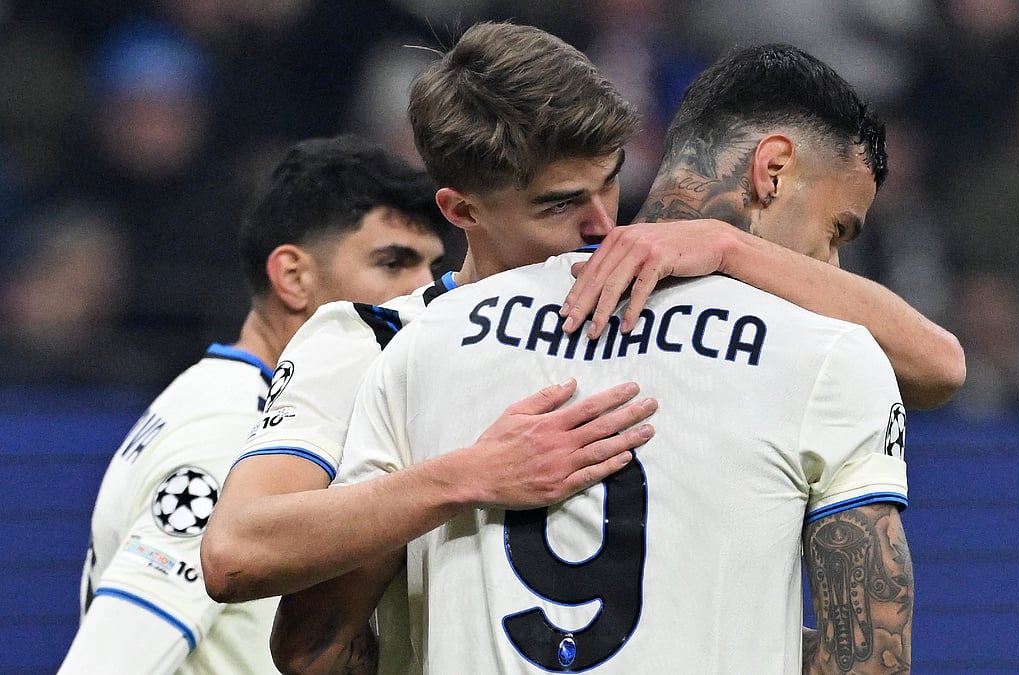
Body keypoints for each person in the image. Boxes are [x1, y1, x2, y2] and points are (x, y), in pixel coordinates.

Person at [202, 22, 946, 673]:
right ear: (461, 210)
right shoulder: (378, 339)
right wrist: (466, 474)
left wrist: (724, 246)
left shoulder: (647, 296)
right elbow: (235, 552)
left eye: (612, 180)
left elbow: (939, 365)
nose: (602, 224)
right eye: (560, 204)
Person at [57, 135, 450, 675]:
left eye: (432, 268)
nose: (424, 294)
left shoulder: (255, 411)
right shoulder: (234, 431)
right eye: (393, 263)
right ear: (292, 276)